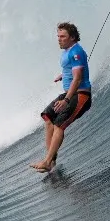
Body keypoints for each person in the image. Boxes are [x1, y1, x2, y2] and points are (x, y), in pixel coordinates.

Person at [30, 22, 92, 172]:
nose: (59, 39)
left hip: (80, 95)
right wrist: (63, 75)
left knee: (59, 125)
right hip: (70, 92)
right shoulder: (66, 51)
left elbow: (77, 79)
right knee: (47, 117)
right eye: (58, 36)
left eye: (62, 36)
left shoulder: (76, 52)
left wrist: (66, 100)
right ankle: (51, 161)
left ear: (72, 37)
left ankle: (47, 161)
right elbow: (70, 70)